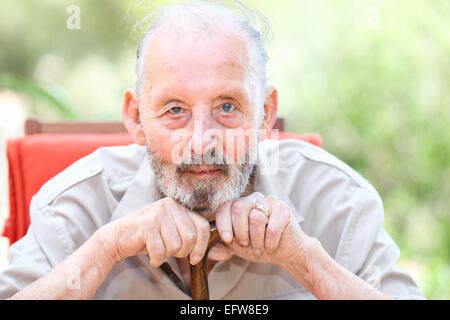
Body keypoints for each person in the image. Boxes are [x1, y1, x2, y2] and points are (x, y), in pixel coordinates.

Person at [0, 1, 424, 299]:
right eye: (174, 109)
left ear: (265, 113)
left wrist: (305, 260)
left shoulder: (338, 200)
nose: (202, 142)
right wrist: (106, 249)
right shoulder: (76, 204)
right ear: (135, 118)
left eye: (226, 107)